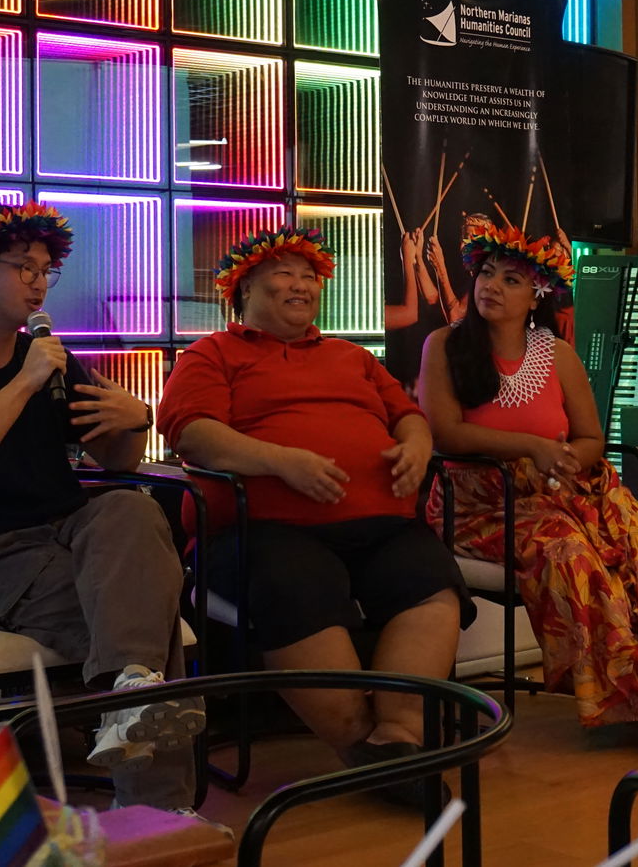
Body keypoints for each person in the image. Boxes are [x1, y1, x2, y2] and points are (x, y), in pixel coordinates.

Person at [0, 202, 201, 809]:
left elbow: (116, 462)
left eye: (45, 269)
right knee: (145, 607)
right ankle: (158, 808)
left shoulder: (54, 359)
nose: (38, 281)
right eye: (23, 266)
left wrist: (135, 420)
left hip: (69, 533)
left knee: (134, 510)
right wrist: (24, 382)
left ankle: (133, 695)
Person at [157, 226, 473, 806]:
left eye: (310, 276)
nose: (302, 284)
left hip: (380, 524)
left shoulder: (351, 357)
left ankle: (399, 736)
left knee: (429, 581)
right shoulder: (212, 355)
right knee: (294, 584)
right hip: (262, 532)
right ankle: (361, 749)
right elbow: (193, 434)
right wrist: (280, 463)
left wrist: (416, 443)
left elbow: (407, 413)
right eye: (285, 273)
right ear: (243, 285)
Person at [416, 226, 638, 762]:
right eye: (487, 273)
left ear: (537, 293)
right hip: (479, 501)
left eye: (511, 278)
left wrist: (563, 461)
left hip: (564, 485)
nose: (491, 285)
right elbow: (444, 433)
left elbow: (591, 439)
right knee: (572, 555)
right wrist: (532, 448)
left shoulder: (557, 353)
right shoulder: (444, 345)